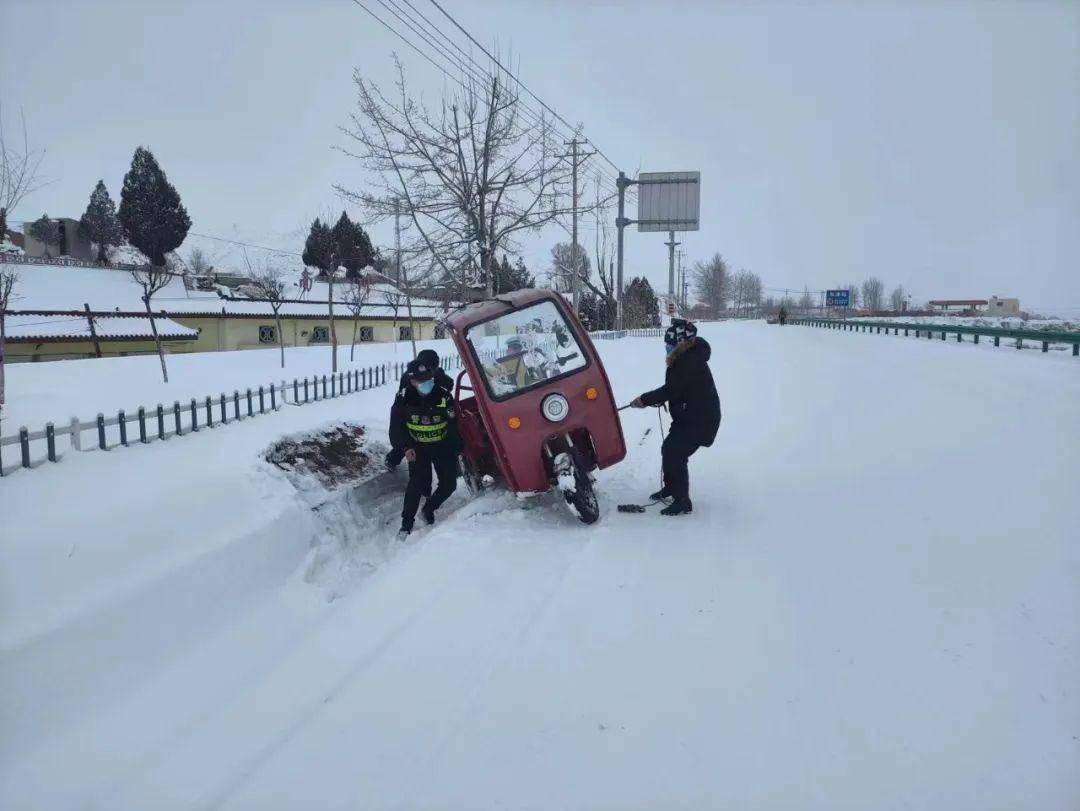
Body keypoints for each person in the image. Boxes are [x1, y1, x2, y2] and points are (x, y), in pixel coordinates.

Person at [631, 319, 720, 516]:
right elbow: (678, 390)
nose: (666, 348)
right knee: (668, 449)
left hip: (700, 419)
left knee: (675, 453)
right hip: (688, 415)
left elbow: (671, 388)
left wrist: (643, 400)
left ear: (680, 344)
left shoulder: (689, 362)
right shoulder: (686, 358)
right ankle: (672, 488)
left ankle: (683, 501)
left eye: (669, 344)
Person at [389, 358, 460, 538]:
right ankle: (406, 524)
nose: (425, 385)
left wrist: (455, 448)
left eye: (428, 380)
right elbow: (397, 427)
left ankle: (429, 508)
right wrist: (405, 447)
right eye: (420, 382)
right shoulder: (403, 399)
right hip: (417, 447)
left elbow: (453, 424)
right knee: (417, 484)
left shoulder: (443, 396)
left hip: (441, 445)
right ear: (412, 381)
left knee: (449, 484)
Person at [385, 349, 454, 469]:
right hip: (411, 411)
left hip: (429, 409)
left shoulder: (436, 373)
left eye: (435, 367)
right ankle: (393, 459)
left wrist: (436, 380)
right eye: (433, 367)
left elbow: (449, 385)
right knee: (407, 436)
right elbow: (402, 399)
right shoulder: (409, 376)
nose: (434, 369)